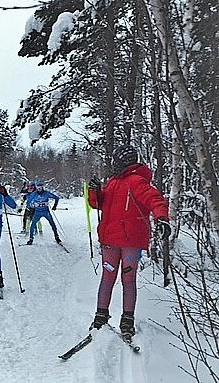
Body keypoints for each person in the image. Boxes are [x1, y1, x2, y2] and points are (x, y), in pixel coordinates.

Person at [87, 144, 169, 339]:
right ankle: (101, 315)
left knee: (128, 279)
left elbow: (155, 199)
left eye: (116, 160)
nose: (113, 164)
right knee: (108, 277)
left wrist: (162, 218)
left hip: (130, 241)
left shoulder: (137, 181)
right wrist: (95, 191)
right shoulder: (113, 182)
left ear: (122, 161)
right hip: (110, 240)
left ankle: (127, 319)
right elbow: (97, 204)